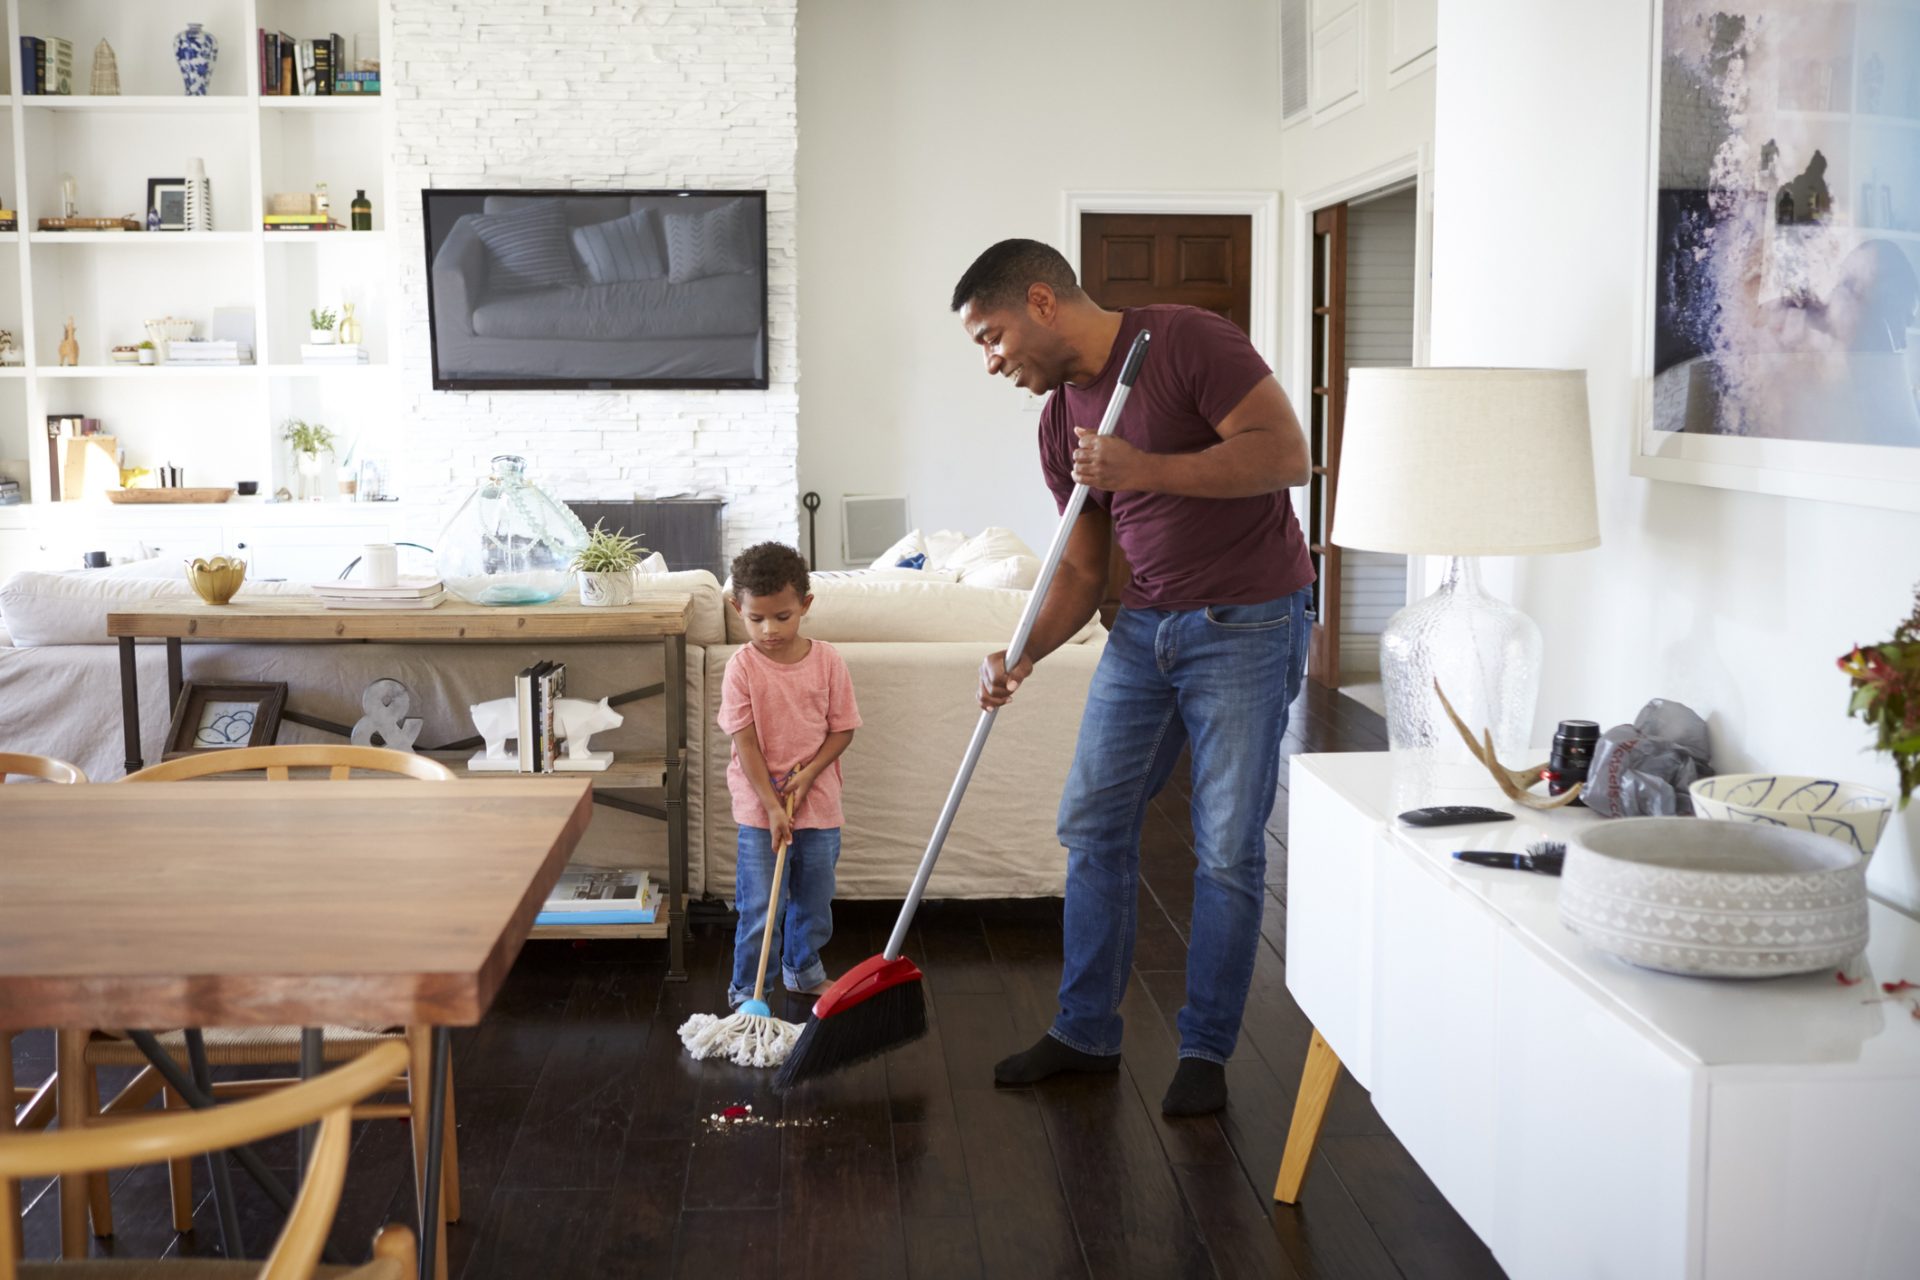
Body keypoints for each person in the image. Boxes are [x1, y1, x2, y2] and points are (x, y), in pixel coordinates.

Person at [951, 239, 1314, 1115]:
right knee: (1092, 823)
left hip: (1249, 622)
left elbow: (1285, 455)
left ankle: (1206, 1050)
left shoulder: (1188, 341)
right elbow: (1080, 571)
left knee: (1227, 846)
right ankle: (1085, 1032)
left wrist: (1143, 468)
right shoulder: (1055, 424)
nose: (992, 362)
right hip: (1142, 628)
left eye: (991, 337)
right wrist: (1024, 649)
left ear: (1041, 302)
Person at [717, 542, 861, 1007]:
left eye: (782, 617)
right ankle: (748, 990)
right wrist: (774, 807)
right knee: (760, 905)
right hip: (761, 809)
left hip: (818, 804)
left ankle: (802, 970)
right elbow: (746, 744)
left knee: (814, 899)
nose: (769, 629)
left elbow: (842, 731)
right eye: (755, 618)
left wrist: (811, 773)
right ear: (737, 607)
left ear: (805, 605)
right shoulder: (741, 668)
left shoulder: (828, 661)